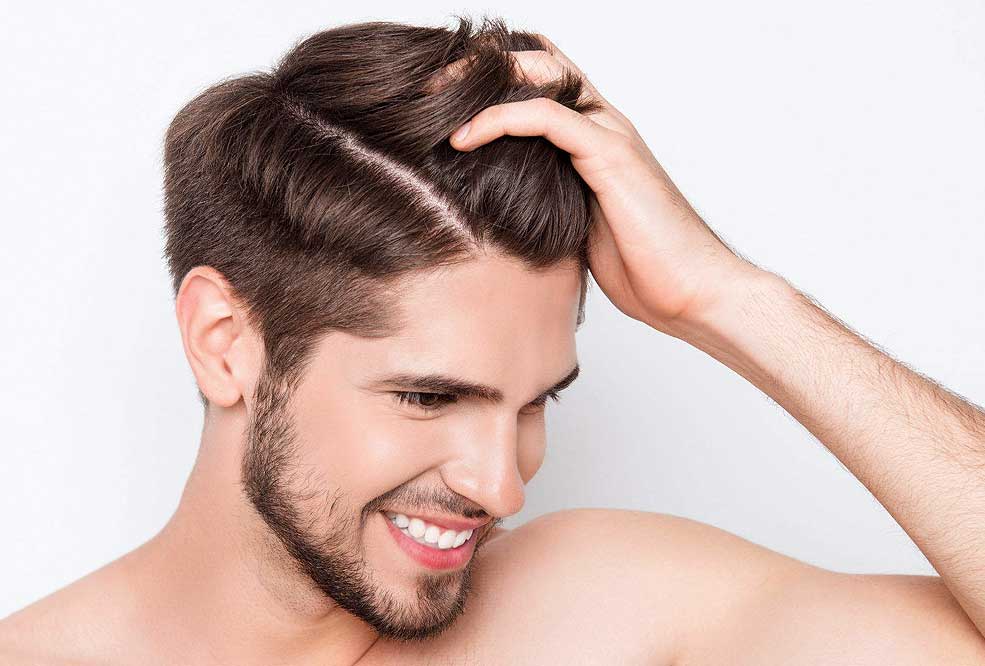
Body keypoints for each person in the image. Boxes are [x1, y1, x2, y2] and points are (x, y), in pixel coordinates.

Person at [2, 14, 984, 665]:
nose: (502, 487)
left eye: (535, 402)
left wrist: (726, 297)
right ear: (226, 342)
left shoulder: (590, 613)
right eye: (429, 397)